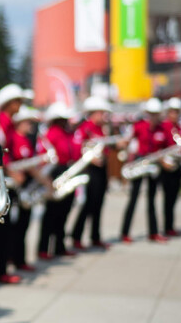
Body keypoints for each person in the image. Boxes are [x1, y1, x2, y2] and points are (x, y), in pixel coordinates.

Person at [0, 83, 31, 284]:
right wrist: (12, 172)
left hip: (4, 181)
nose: (20, 105)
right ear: (9, 103)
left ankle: (4, 267)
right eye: (18, 101)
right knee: (2, 228)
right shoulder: (0, 124)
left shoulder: (7, 123)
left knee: (7, 228)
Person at [9, 105, 53, 272]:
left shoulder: (26, 139)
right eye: (27, 122)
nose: (30, 126)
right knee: (19, 225)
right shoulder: (17, 138)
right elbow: (27, 166)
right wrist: (43, 180)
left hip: (27, 186)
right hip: (20, 187)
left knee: (23, 224)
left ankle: (19, 258)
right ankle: (16, 259)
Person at [120, 98, 169, 244]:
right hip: (140, 162)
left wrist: (163, 158)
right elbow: (128, 140)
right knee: (133, 198)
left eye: (156, 113)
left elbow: (166, 147)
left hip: (154, 163)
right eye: (151, 113)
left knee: (152, 199)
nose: (153, 116)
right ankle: (125, 233)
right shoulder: (139, 126)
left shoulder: (162, 129)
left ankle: (153, 232)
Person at [71, 96, 113, 251]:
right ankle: (76, 236)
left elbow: (105, 149)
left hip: (101, 170)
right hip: (90, 170)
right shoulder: (84, 128)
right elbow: (77, 149)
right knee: (89, 204)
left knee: (99, 204)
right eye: (102, 113)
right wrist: (90, 158)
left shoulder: (101, 129)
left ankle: (95, 236)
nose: (104, 116)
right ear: (94, 113)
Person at [37, 102, 77, 259]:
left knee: (64, 212)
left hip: (67, 170)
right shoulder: (51, 134)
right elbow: (46, 156)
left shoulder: (67, 133)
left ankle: (59, 246)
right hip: (54, 172)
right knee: (51, 213)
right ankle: (43, 248)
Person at [160, 97, 181, 237]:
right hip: (166, 166)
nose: (175, 114)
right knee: (167, 198)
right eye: (173, 111)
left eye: (177, 112)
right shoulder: (164, 126)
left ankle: (171, 226)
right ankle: (166, 227)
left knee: (174, 197)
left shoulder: (180, 129)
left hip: (177, 165)